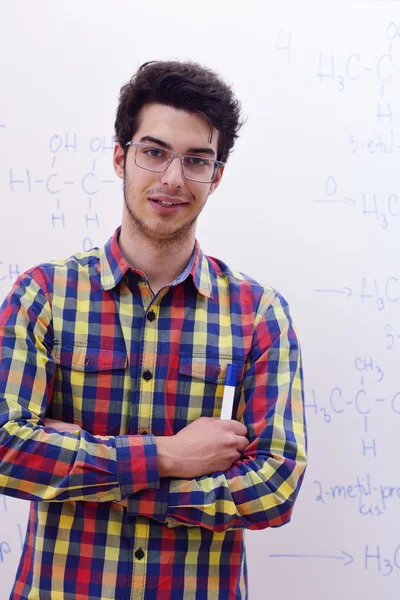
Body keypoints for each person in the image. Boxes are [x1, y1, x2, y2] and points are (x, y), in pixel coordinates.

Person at [0, 60, 307, 600]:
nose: (172, 178)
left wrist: (105, 475)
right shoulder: (43, 296)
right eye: (154, 152)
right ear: (121, 158)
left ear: (217, 175)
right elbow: (5, 448)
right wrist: (168, 456)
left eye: (196, 160)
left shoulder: (259, 315)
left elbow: (273, 488)